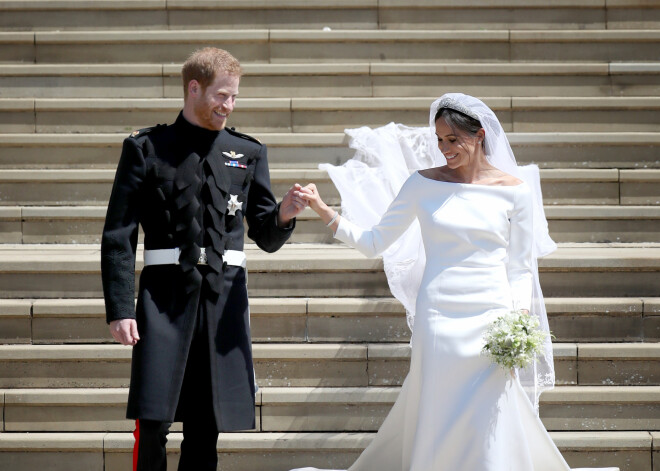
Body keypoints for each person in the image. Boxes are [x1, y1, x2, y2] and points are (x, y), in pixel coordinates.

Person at [291, 94, 618, 470]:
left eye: (453, 140)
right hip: (439, 315)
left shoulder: (516, 190)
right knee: (439, 402)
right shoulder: (421, 185)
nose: (445, 149)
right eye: (440, 140)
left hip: (493, 316)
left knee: (490, 409)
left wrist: (519, 321)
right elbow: (374, 242)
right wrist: (323, 210)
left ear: (479, 136)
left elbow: (520, 268)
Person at [101, 47, 307, 471]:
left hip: (222, 303)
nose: (228, 106)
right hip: (163, 301)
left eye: (234, 97)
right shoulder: (146, 148)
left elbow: (265, 235)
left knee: (205, 424)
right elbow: (118, 236)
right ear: (193, 88)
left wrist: (284, 214)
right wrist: (121, 309)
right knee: (153, 421)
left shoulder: (247, 152)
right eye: (221, 96)